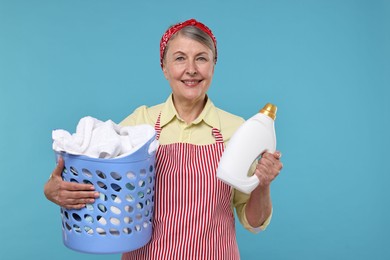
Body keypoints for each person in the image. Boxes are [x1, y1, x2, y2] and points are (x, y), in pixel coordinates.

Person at [44, 18, 283, 260]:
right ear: (164, 67)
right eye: (180, 58)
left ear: (213, 65)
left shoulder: (236, 129)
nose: (191, 69)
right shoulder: (140, 124)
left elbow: (253, 222)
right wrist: (54, 189)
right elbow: (95, 178)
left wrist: (263, 184)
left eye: (201, 58)